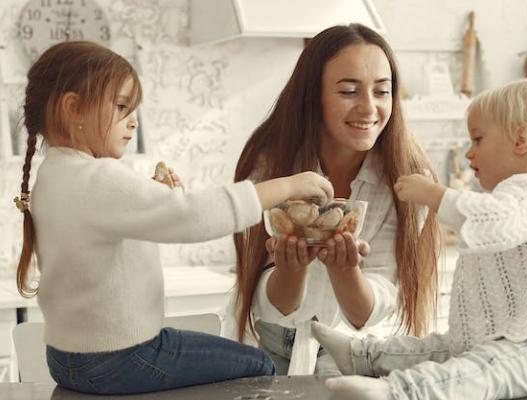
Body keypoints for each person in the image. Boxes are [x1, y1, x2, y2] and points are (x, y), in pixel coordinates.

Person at [14, 41, 334, 395]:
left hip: (67, 359)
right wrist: (288, 186)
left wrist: (156, 195)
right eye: (122, 107)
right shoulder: (99, 177)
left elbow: (113, 222)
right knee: (259, 365)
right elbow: (193, 216)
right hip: (120, 359)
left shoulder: (55, 175)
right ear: (73, 109)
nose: (134, 121)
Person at [312, 77, 527, 400]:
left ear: (521, 139)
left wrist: (435, 195)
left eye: (478, 140)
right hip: (519, 336)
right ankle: (363, 356)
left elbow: (493, 221)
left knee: (487, 369)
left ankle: (398, 392)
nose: (468, 153)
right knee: (444, 348)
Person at [229, 23, 441, 376]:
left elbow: (367, 312)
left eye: (382, 91)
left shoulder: (408, 181)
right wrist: (290, 270)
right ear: (313, 96)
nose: (369, 108)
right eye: (348, 91)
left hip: (353, 351)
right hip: (264, 343)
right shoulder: (270, 165)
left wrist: (346, 272)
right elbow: (267, 305)